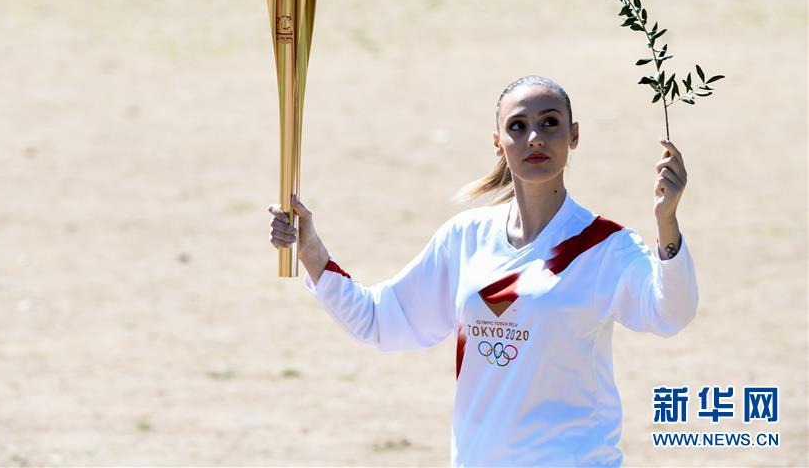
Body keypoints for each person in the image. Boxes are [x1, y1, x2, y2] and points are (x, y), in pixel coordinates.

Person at [267, 75, 698, 467]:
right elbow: (381, 321)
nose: (534, 138)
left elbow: (669, 313)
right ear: (498, 142)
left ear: (574, 136)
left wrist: (667, 222)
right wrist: (311, 251)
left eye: (550, 123)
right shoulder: (466, 238)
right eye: (518, 126)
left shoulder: (606, 246)